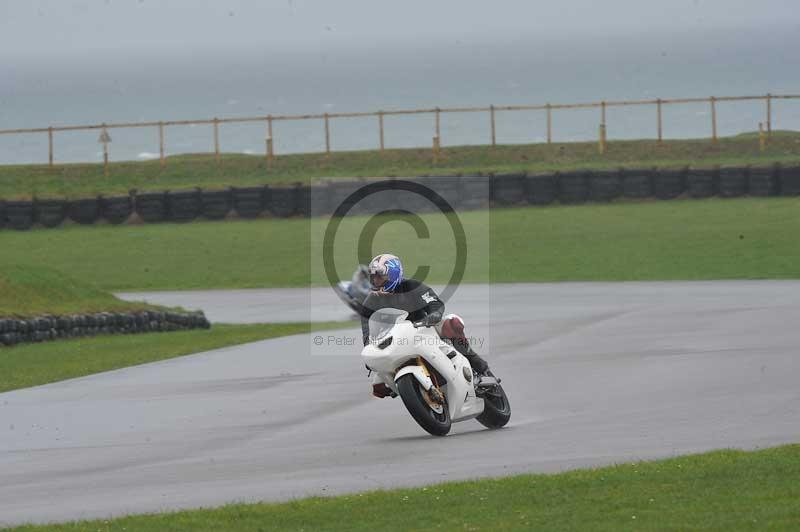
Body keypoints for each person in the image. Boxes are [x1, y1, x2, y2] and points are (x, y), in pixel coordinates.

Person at [360, 253, 490, 398]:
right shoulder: (370, 301)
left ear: (393, 274)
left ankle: (475, 362)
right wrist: (369, 349)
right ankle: (409, 390)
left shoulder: (412, 286)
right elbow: (367, 332)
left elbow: (435, 303)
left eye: (380, 276)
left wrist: (432, 316)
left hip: (425, 328)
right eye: (374, 277)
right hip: (395, 341)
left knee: (451, 324)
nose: (376, 281)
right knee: (378, 386)